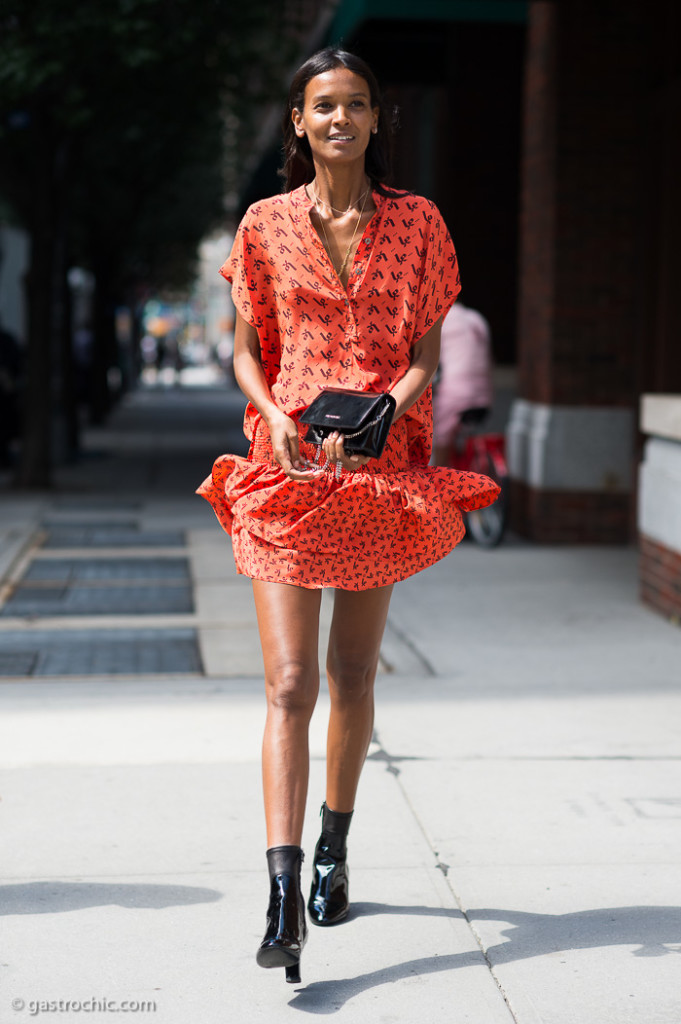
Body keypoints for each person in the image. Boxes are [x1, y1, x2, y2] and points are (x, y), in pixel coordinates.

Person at [197, 47, 499, 984]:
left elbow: (424, 356)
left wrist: (384, 413)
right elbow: (247, 351)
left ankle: (335, 845)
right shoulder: (264, 225)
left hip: (377, 471)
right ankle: (283, 890)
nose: (340, 119)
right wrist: (279, 414)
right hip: (284, 469)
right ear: (299, 121)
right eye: (323, 105)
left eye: (356, 105)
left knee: (353, 672)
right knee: (289, 684)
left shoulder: (417, 224)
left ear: (376, 121)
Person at [432, 300, 494, 467]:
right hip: (484, 397)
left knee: (439, 437)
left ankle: (438, 483)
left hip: (456, 395)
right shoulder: (476, 318)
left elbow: (430, 362)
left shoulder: (441, 320)